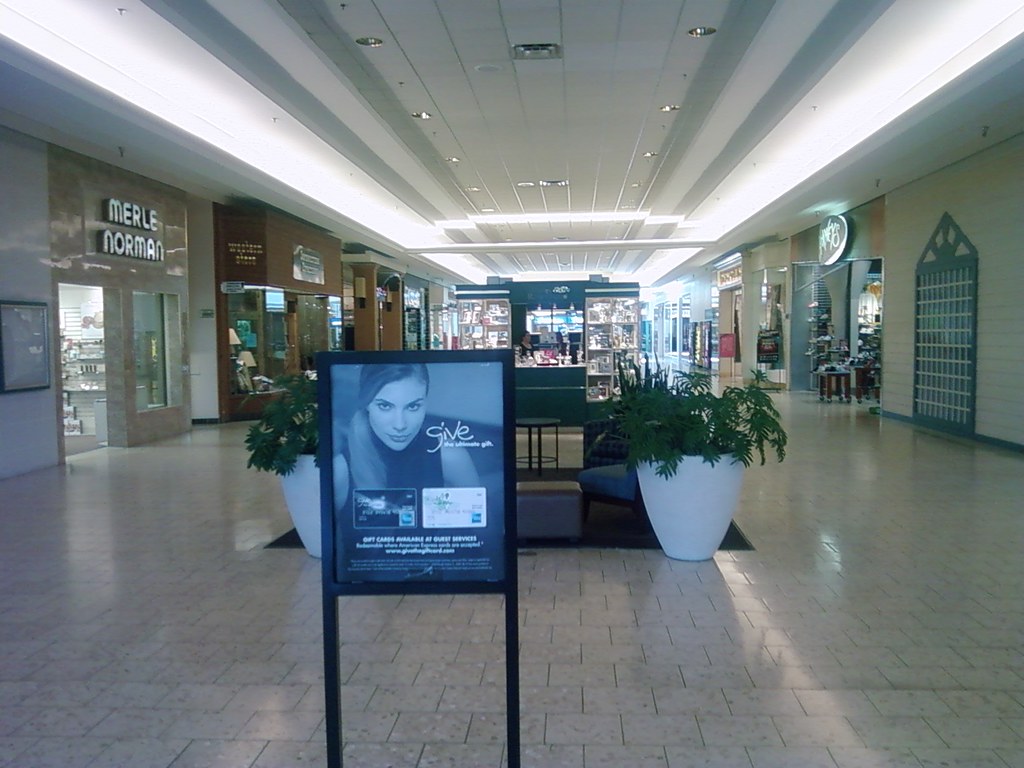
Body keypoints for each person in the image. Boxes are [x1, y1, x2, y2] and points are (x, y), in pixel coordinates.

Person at [333, 363, 480, 516]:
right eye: (385, 406)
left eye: (413, 407)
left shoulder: (450, 457)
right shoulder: (340, 470)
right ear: (367, 404)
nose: (400, 425)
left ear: (425, 403)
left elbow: (482, 529)